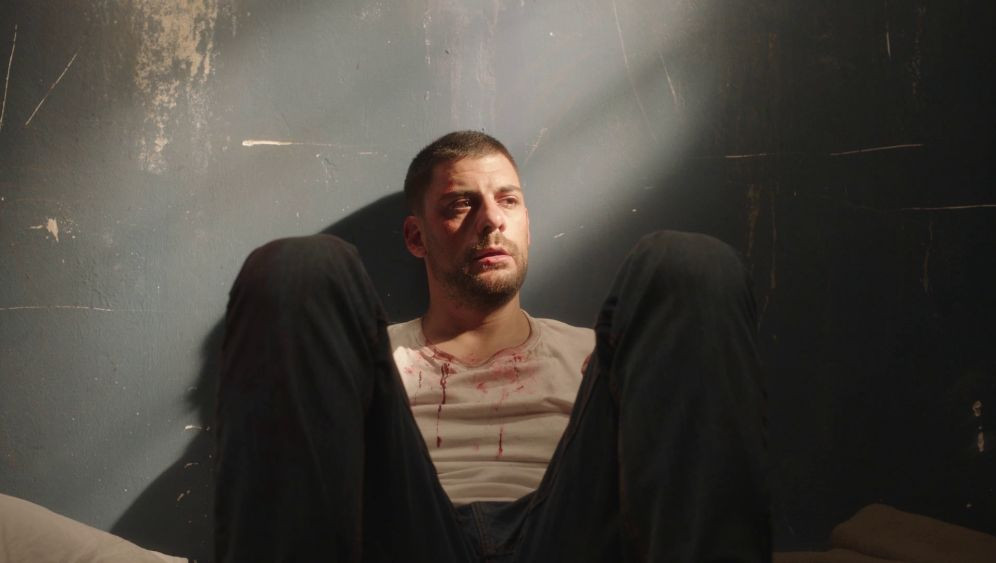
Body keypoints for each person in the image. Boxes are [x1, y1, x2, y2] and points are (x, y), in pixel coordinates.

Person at [215, 131, 772, 562]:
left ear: (527, 223)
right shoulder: (362, 360)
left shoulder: (605, 360)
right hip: (414, 539)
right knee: (298, 267)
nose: (491, 220)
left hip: (567, 539)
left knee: (688, 264)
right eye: (461, 204)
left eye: (508, 200)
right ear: (416, 237)